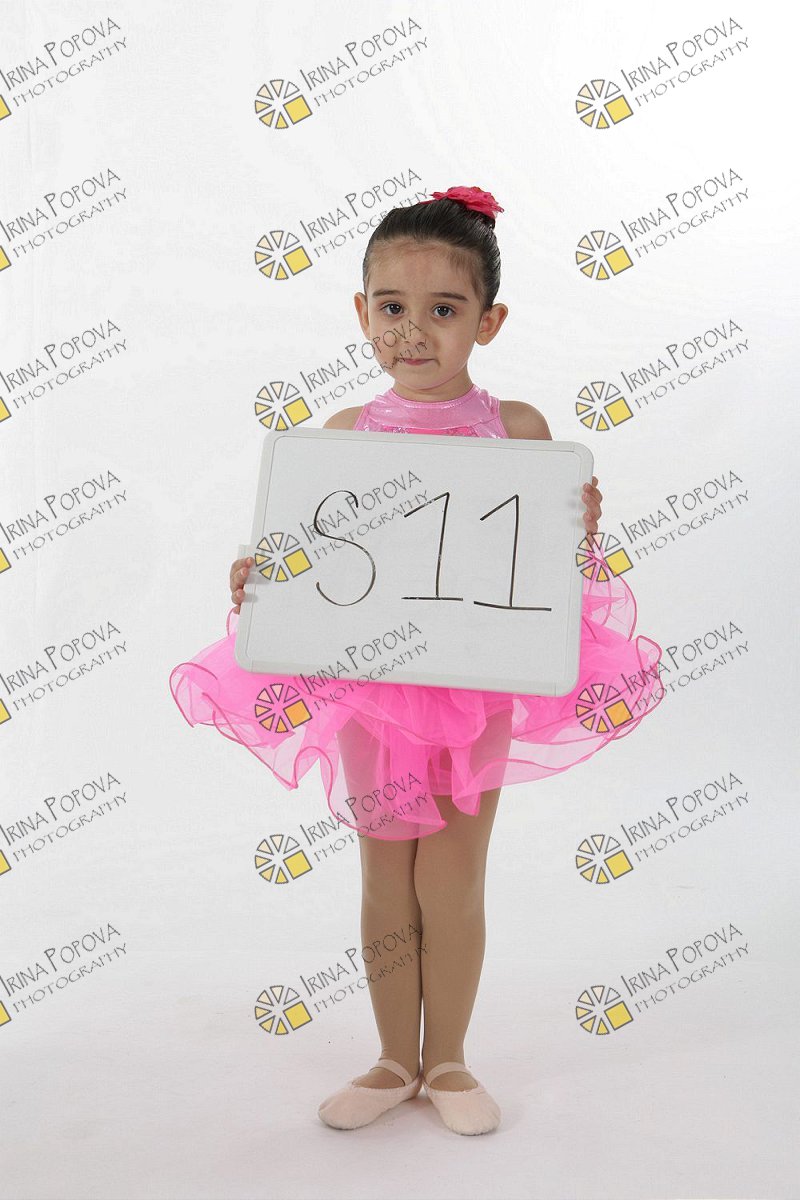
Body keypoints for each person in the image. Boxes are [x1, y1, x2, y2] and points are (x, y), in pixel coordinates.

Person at [169, 185, 664, 1136]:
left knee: (452, 876)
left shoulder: (518, 430)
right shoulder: (343, 438)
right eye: (392, 307)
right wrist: (262, 577)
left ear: (488, 321)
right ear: (362, 312)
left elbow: (544, 571)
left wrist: (579, 530)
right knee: (384, 872)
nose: (413, 331)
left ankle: (450, 1062)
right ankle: (395, 1057)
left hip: (475, 686)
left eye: (443, 309)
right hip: (372, 690)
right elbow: (312, 558)